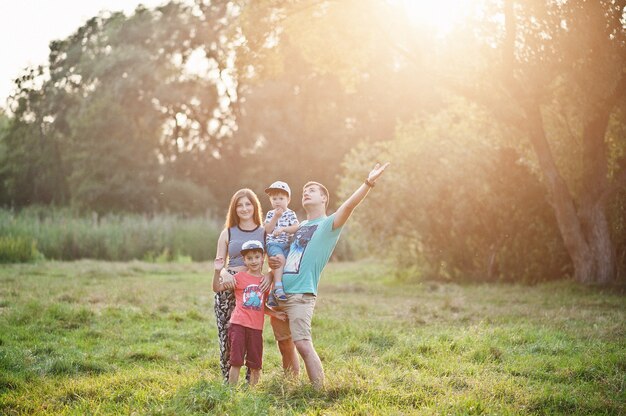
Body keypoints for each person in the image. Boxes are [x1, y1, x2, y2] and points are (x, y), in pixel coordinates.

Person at [268, 162, 390, 389]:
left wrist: (368, 182)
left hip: (301, 294)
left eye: (312, 190)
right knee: (284, 345)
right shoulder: (301, 225)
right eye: (304, 190)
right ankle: (290, 389)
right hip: (280, 294)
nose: (306, 192)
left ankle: (318, 392)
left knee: (302, 344)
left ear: (324, 198)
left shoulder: (328, 224)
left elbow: (350, 205)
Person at [213, 240, 287, 386]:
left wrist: (275, 314)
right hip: (238, 325)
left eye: (257, 257)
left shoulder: (265, 282)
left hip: (256, 328)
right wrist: (217, 272)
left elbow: (261, 306)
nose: (253, 261)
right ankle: (231, 392)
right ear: (244, 260)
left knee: (255, 364)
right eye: (249, 258)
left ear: (262, 258)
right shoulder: (239, 278)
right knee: (236, 361)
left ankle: (251, 395)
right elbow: (216, 288)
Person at [213, 188, 266, 382]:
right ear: (234, 209)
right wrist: (226, 273)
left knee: (251, 337)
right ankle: (229, 382)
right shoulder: (227, 232)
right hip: (229, 289)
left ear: (255, 206)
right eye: (239, 205)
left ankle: (249, 382)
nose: (244, 208)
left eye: (248, 204)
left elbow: (274, 257)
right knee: (228, 337)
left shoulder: (263, 232)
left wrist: (268, 276)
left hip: (252, 291)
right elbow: (219, 262)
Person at [263, 181, 300, 307]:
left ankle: (272, 296)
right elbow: (268, 229)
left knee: (282, 267)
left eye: (281, 198)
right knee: (279, 260)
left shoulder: (290, 213)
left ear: (288, 199)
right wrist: (275, 217)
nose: (277, 201)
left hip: (286, 245)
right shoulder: (270, 214)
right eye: (274, 199)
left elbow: (296, 227)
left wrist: (284, 229)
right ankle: (278, 287)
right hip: (273, 244)